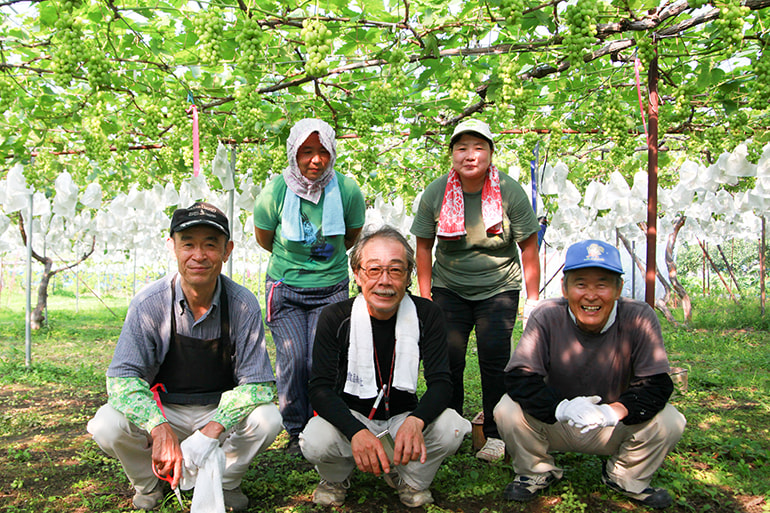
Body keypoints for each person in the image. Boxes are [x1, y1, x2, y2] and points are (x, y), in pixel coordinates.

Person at [87, 202, 282, 512]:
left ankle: (227, 481)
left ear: (227, 250)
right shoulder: (149, 304)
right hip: (166, 411)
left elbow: (259, 386)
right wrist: (158, 427)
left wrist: (213, 428)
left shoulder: (242, 304)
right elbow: (121, 380)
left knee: (268, 419)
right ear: (172, 246)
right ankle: (149, 484)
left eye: (210, 245)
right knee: (106, 424)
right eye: (188, 244)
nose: (199, 255)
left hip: (219, 412)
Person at [494, 239, 686, 509]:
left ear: (619, 288)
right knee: (506, 409)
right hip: (557, 421)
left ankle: (625, 476)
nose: (591, 295)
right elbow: (520, 377)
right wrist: (561, 408)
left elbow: (656, 385)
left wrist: (612, 411)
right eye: (581, 283)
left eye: (603, 284)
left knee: (670, 420)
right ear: (565, 288)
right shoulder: (546, 317)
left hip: (612, 425)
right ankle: (535, 471)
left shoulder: (639, 317)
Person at [299, 226, 471, 508]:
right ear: (357, 275)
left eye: (395, 270)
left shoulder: (427, 314)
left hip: (403, 417)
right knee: (315, 438)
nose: (384, 281)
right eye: (374, 270)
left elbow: (442, 382)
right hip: (353, 416)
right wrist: (355, 430)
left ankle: (411, 480)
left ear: (408, 276)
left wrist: (417, 420)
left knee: (452, 426)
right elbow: (319, 388)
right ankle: (335, 477)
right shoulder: (335, 317)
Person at [410, 118, 541, 462]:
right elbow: (423, 247)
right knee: (446, 360)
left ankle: (496, 434)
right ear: (451, 154)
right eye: (462, 148)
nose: (470, 155)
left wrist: (534, 299)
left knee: (495, 361)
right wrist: (426, 296)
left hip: (499, 287)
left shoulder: (509, 191)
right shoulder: (436, 192)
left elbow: (529, 246)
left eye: (478, 147)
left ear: (490, 153)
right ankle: (448, 428)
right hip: (449, 287)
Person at [253, 118, 366, 454]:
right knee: (293, 356)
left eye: (323, 152)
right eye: (307, 152)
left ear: (332, 153)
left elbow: (351, 236)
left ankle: (325, 424)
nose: (316, 160)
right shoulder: (275, 190)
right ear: (293, 154)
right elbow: (265, 239)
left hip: (330, 288)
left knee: (322, 360)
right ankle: (295, 429)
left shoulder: (346, 190)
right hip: (285, 287)